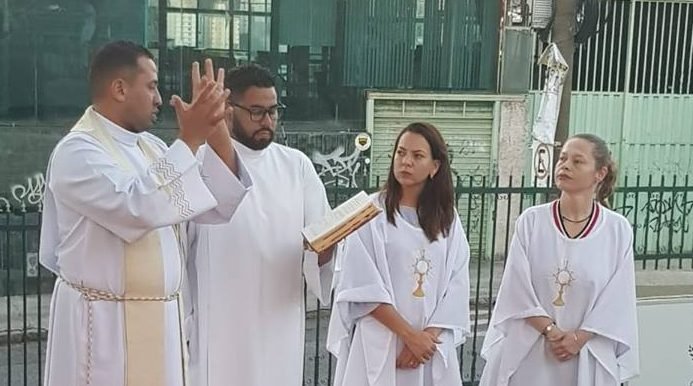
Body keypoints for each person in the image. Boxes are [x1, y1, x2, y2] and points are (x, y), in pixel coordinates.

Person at [39, 41, 252, 386]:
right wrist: (191, 139)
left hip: (163, 319)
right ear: (120, 88)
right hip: (103, 327)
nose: (159, 99)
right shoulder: (76, 152)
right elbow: (136, 209)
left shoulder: (152, 148)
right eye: (151, 86)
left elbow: (217, 200)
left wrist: (215, 129)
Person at [184, 63, 335, 386]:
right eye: (256, 112)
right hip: (219, 326)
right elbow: (178, 252)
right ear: (227, 111)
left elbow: (323, 246)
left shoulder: (296, 166)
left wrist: (327, 250)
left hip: (279, 323)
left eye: (273, 111)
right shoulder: (197, 165)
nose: (267, 121)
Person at [479, 134, 639, 386]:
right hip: (530, 349)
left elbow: (618, 300)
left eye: (577, 161)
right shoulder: (531, 221)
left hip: (587, 354)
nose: (565, 166)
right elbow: (515, 288)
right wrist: (551, 331)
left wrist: (579, 338)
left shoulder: (617, 230)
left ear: (600, 173)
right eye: (563, 158)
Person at [327, 122, 471, 386]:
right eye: (401, 153)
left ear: (435, 167)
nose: (406, 162)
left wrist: (427, 337)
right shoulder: (370, 212)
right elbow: (361, 284)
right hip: (382, 341)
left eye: (417, 156)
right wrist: (409, 336)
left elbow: (457, 284)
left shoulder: (448, 219)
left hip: (429, 347)